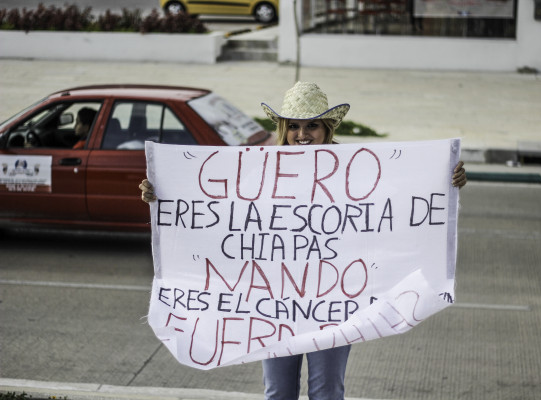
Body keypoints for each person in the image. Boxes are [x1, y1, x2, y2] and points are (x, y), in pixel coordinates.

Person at [139, 82, 467, 399]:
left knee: (326, 392)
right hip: (273, 303)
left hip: (334, 302)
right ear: (283, 128)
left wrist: (443, 181)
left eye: (312, 125)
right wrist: (162, 195)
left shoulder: (355, 170)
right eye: (293, 126)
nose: (302, 134)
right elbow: (223, 214)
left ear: (326, 128)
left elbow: (396, 207)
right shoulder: (262, 168)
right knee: (279, 392)